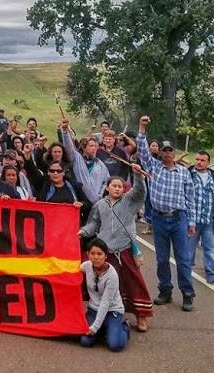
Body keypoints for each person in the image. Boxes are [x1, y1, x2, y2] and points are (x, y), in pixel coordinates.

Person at [79, 164, 153, 332]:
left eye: (120, 186)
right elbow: (92, 224)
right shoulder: (99, 205)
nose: (118, 189)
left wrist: (138, 175)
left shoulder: (129, 201)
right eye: (114, 186)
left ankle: (141, 315)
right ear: (107, 187)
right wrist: (83, 231)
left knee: (135, 281)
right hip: (107, 252)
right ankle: (111, 313)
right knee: (109, 284)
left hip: (125, 249)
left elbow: (140, 192)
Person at [136, 115, 197, 311]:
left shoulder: (184, 172)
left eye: (170, 150)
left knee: (183, 259)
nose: (168, 153)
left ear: (174, 153)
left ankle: (187, 294)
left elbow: (190, 199)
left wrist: (192, 223)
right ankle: (165, 291)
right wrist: (142, 128)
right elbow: (143, 150)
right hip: (159, 220)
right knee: (162, 259)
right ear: (160, 153)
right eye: (164, 150)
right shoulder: (153, 167)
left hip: (179, 219)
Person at [79, 238, 130, 352]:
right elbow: (71, 271)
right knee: (85, 341)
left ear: (106, 256)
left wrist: (94, 327)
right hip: (93, 310)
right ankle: (104, 328)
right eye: (92, 253)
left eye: (99, 254)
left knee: (115, 345)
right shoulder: (86, 266)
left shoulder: (112, 275)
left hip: (112, 311)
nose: (95, 257)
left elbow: (105, 303)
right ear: (88, 254)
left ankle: (125, 327)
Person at [60, 120, 110, 204]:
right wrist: (65, 132)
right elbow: (69, 148)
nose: (94, 148)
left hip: (95, 202)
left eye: (95, 146)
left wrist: (100, 195)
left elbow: (106, 181)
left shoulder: (100, 165)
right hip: (78, 201)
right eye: (91, 146)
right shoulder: (77, 159)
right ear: (84, 148)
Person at [188, 151, 214, 284]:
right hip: (192, 221)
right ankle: (186, 272)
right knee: (189, 249)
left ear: (208, 163)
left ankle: (211, 273)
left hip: (208, 220)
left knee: (210, 248)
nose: (198, 162)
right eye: (197, 159)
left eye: (202, 160)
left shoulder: (212, 177)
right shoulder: (189, 175)